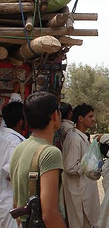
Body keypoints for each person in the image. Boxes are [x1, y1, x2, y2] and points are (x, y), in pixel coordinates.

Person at [9, 92, 66, 228]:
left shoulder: (20, 148)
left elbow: (16, 202)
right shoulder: (50, 153)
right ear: (54, 115)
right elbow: (49, 213)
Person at [62, 103, 100, 228]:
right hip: (79, 192)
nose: (93, 119)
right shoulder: (75, 139)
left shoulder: (80, 137)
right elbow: (70, 167)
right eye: (90, 116)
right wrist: (88, 165)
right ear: (80, 118)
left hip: (84, 189)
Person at [0, 102, 26, 228]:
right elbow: (12, 174)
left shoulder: (4, 136)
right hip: (8, 200)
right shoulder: (15, 142)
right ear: (21, 122)